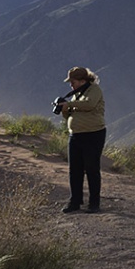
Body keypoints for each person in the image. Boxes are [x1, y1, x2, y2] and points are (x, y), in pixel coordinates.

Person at [58, 66, 106, 213]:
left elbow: (89, 104)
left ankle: (94, 203)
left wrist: (69, 104)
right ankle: (75, 201)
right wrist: (64, 110)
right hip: (76, 135)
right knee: (75, 170)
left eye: (73, 81)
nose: (71, 85)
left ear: (82, 80)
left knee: (92, 168)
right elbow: (71, 115)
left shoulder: (94, 90)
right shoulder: (76, 94)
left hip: (93, 134)